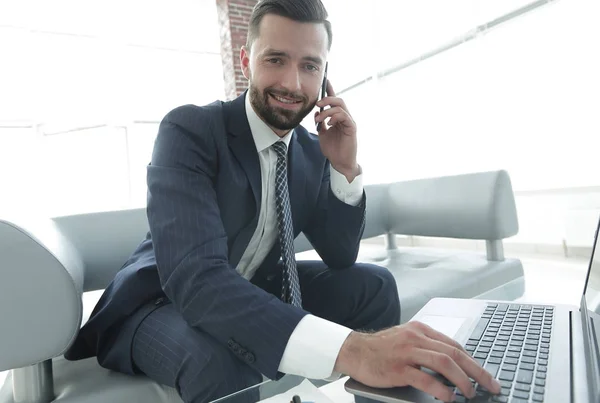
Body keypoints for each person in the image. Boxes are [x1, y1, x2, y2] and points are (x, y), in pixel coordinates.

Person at [65, 0, 501, 402]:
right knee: (220, 361)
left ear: (325, 75)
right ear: (246, 61)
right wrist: (354, 350)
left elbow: (341, 255)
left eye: (310, 66)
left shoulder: (312, 151)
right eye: (276, 60)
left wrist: (344, 169)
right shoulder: (191, 131)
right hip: (159, 300)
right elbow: (197, 282)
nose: (293, 83)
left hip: (254, 284)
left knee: (374, 286)